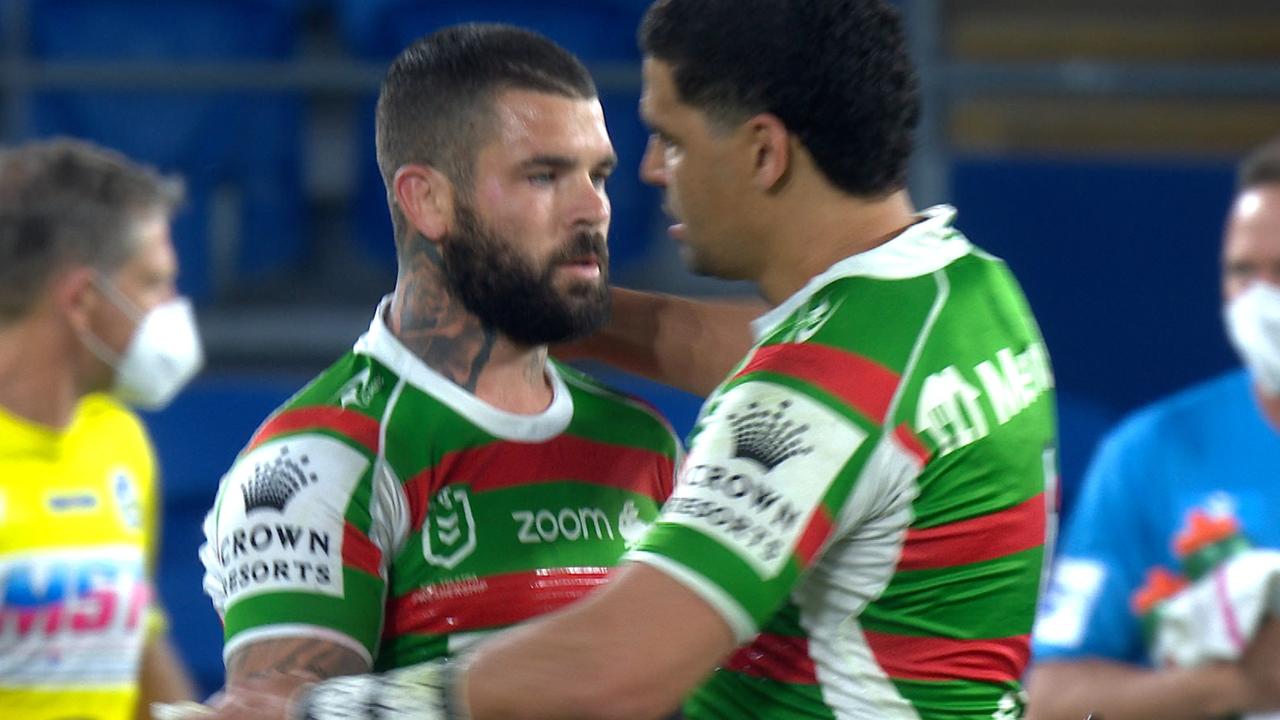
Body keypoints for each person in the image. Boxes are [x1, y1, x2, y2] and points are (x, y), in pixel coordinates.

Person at [185, 1, 1058, 719]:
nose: (631, 185)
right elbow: (775, 360)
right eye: (543, 176)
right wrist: (533, 291)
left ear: (764, 152)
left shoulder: (746, 410)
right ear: (427, 200)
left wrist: (323, 712)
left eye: (666, 142)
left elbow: (617, 666)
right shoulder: (974, 295)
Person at [188, 22, 680, 719]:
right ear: (427, 200)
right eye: (544, 175)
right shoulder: (319, 459)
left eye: (597, 174)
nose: (593, 208)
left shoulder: (644, 440)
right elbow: (276, 708)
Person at [1026, 139, 1280, 719]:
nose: (1261, 298)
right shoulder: (1151, 454)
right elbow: (1048, 699)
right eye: (1243, 272)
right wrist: (1237, 686)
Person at [0, 139, 202, 719]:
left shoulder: (121, 443)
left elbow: (136, 644)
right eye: (154, 282)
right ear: (83, 298)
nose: (173, 307)